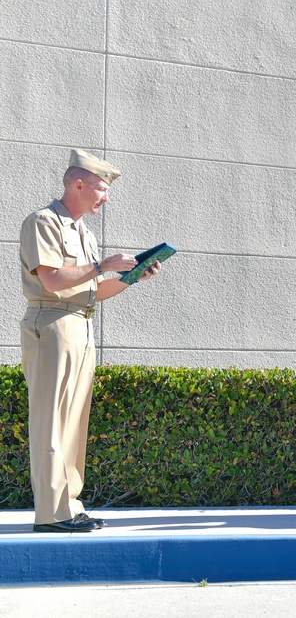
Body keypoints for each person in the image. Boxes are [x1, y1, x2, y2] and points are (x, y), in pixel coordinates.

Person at [20, 149, 162, 533]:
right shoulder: (42, 222)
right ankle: (51, 514)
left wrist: (132, 277)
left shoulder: (83, 232)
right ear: (78, 184)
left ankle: (69, 506)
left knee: (74, 423)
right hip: (51, 324)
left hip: (81, 325)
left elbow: (94, 291)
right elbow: (51, 280)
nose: (105, 197)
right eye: (101, 189)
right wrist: (102, 265)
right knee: (51, 421)